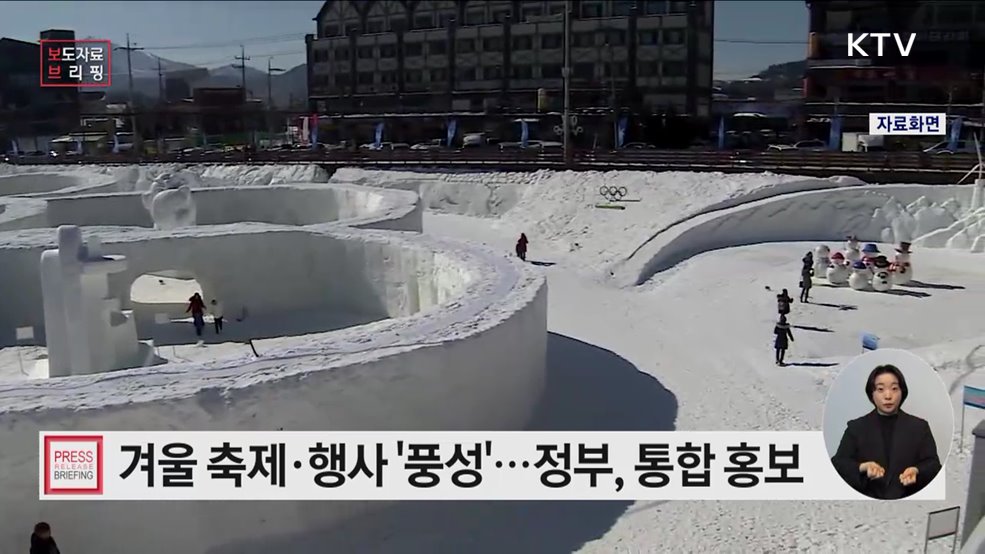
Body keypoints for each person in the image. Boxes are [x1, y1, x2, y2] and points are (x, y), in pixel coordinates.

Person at [830, 364, 942, 500]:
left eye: (894, 389)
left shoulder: (919, 427)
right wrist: (862, 467)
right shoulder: (856, 427)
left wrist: (916, 471)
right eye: (880, 389)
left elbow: (933, 465)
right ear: (872, 393)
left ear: (902, 392)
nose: (888, 396)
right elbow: (838, 464)